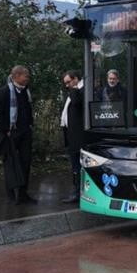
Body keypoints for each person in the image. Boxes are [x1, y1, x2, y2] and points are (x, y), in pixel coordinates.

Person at [0, 65, 37, 204]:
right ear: (17, 76)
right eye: (26, 76)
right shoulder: (5, 92)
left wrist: (30, 124)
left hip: (25, 133)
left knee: (25, 162)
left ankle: (23, 194)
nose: (28, 78)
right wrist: (5, 129)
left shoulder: (25, 91)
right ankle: (11, 196)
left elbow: (28, 109)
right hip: (10, 133)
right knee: (11, 165)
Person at [60, 70, 83, 203]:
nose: (67, 85)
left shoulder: (80, 90)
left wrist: (74, 89)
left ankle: (78, 193)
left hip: (78, 136)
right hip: (71, 134)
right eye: (66, 83)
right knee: (74, 166)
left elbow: (76, 103)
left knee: (77, 166)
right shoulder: (74, 91)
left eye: (69, 82)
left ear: (76, 79)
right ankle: (76, 191)